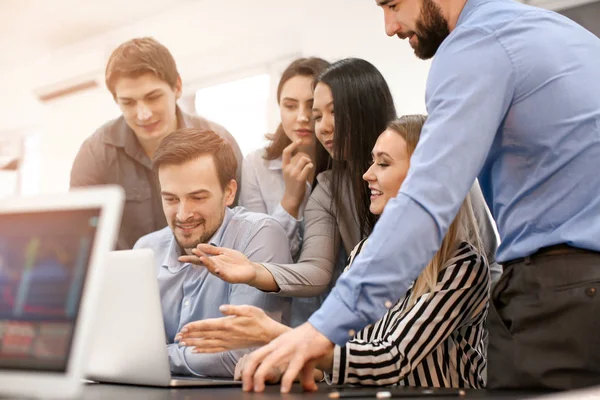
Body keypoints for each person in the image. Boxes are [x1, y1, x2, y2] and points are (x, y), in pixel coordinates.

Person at [236, 0, 600, 393]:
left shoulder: (475, 43)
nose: (389, 27)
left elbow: (425, 202)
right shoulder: (557, 34)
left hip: (565, 289)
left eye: (393, 4)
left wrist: (322, 329)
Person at [177, 115, 490, 388]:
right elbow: (352, 351)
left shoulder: (462, 265)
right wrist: (293, 365)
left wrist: (276, 336)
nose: (368, 174)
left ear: (425, 176)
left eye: (382, 163)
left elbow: (390, 360)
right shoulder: (366, 252)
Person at [133, 128, 290, 378]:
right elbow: (126, 348)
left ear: (229, 192)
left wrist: (152, 357)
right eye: (171, 199)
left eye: (197, 198)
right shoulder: (145, 250)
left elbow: (239, 355)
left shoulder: (260, 234)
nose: (183, 214)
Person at [70, 37, 243, 250]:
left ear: (177, 87)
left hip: (211, 274)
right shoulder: (95, 153)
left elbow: (242, 220)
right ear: (116, 100)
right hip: (129, 276)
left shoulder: (219, 141)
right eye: (128, 102)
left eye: (153, 97)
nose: (143, 114)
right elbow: (80, 236)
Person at [240, 57, 330, 259]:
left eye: (312, 105)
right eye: (290, 106)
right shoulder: (256, 165)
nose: (302, 117)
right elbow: (258, 257)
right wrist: (291, 199)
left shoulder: (343, 161)